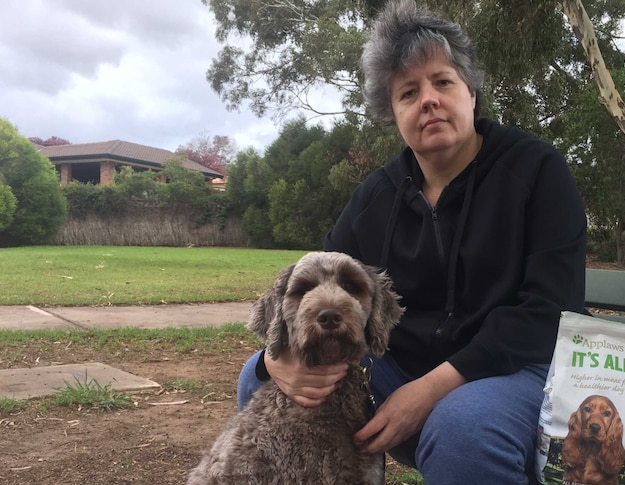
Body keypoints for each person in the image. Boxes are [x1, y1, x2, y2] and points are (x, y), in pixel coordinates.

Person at [237, 1, 587, 483]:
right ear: (393, 113)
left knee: (463, 427)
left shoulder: (536, 172)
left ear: (470, 91)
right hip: (402, 371)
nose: (429, 99)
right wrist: (278, 359)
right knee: (259, 379)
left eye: (443, 81)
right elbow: (316, 282)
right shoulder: (377, 196)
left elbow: (549, 312)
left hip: (523, 371)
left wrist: (430, 391)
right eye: (408, 92)